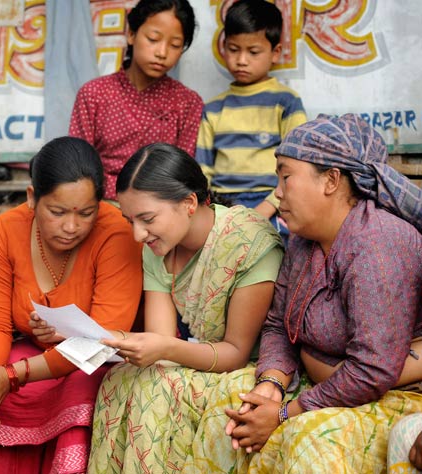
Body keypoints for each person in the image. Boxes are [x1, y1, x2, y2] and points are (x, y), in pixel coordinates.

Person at [190, 114, 422, 473]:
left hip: (395, 396)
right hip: (328, 388)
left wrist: (284, 413)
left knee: (307, 435)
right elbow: (278, 326)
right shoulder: (304, 240)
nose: (278, 192)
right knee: (230, 407)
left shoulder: (377, 244)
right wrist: (271, 384)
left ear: (331, 180)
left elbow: (372, 371)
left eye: (286, 177)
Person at [0, 136, 143, 473]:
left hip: (95, 362)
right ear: (32, 198)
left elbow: (100, 341)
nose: (71, 226)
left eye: (86, 213)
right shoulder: (6, 229)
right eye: (57, 211)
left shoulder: (117, 233)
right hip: (31, 356)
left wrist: (11, 375)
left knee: (80, 386)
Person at [86, 142, 283, 473]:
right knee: (121, 379)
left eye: (147, 219)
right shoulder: (158, 247)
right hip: (198, 359)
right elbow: (161, 340)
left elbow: (236, 352)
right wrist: (106, 339)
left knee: (158, 387)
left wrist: (163, 346)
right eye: (130, 220)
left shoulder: (249, 242)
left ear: (189, 202)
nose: (137, 234)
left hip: (256, 372)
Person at [69, 0, 204, 201]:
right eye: (153, 39)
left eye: (175, 45)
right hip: (99, 205)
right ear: (131, 34)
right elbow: (78, 166)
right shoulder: (94, 94)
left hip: (160, 207)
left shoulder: (188, 103)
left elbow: (180, 174)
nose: (162, 53)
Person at [195, 0, 306, 235]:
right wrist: (213, 210)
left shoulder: (286, 102)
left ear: (275, 52)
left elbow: (298, 165)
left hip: (274, 204)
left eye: (253, 52)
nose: (242, 60)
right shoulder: (214, 108)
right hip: (222, 206)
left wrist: (265, 209)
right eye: (234, 49)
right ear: (224, 47)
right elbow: (202, 170)